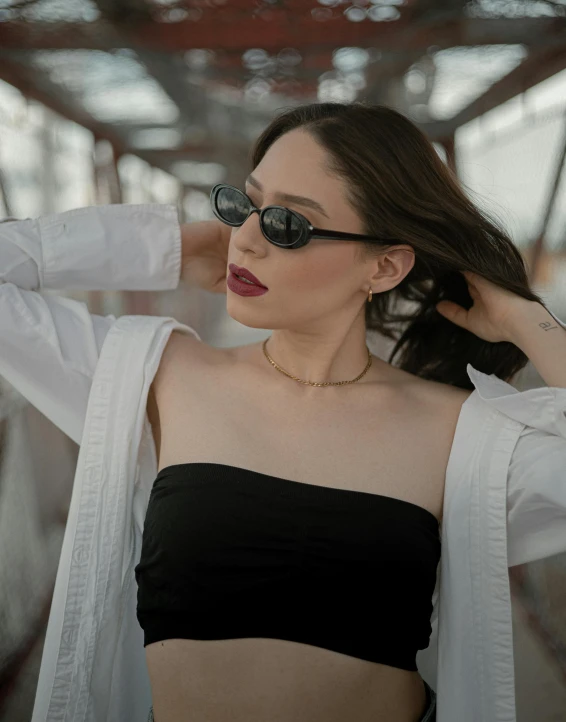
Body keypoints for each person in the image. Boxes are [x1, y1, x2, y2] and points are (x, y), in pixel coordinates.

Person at [0, 101, 565, 722]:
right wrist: (161, 246)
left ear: (383, 266)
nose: (243, 239)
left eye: (288, 224)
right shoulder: (158, 377)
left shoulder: (460, 427)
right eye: (244, 206)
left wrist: (526, 319)